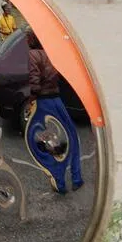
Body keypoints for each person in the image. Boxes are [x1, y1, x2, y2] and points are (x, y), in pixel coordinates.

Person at [24, 31, 83, 194]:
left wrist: (32, 99)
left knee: (50, 142)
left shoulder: (33, 55)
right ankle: (77, 178)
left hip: (43, 102)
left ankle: (59, 182)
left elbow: (34, 81)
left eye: (27, 38)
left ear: (31, 40)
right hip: (57, 99)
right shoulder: (51, 52)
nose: (26, 41)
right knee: (71, 137)